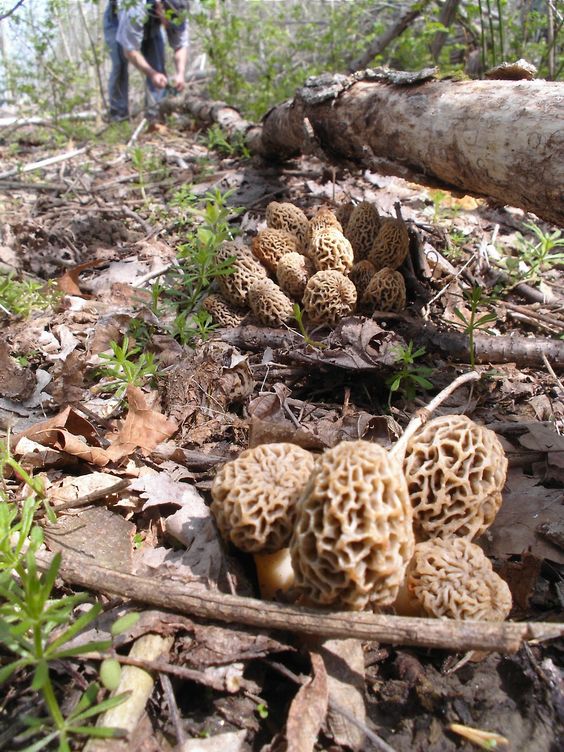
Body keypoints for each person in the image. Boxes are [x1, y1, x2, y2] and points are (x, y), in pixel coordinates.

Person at [103, 1, 189, 122]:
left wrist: (180, 73)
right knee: (119, 66)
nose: (170, 26)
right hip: (118, 21)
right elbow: (129, 50)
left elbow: (180, 44)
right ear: (161, 9)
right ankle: (118, 117)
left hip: (152, 24)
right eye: (169, 22)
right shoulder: (134, 8)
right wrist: (152, 73)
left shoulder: (180, 7)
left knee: (158, 65)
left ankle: (155, 115)